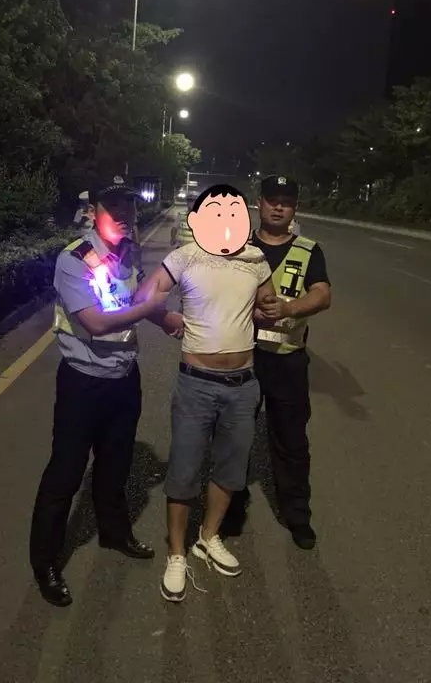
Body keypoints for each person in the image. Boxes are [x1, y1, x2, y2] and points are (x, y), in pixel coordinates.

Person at [30, 177, 181, 607]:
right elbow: (95, 323)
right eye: (114, 206)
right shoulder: (73, 259)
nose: (125, 214)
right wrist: (150, 309)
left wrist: (166, 320)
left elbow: (134, 298)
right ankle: (45, 562)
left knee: (116, 466)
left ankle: (114, 534)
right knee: (65, 474)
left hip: (123, 378)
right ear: (94, 212)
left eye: (129, 205)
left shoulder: (127, 252)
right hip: (83, 383)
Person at [137, 184, 276, 603]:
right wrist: (164, 318)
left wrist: (274, 311)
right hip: (196, 384)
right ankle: (176, 553)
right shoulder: (186, 256)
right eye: (216, 213)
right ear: (197, 221)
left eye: (233, 213)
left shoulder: (256, 260)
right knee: (183, 471)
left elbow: (267, 305)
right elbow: (145, 295)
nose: (226, 222)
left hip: (243, 385)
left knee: (230, 471)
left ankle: (208, 536)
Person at [229, 175, 331, 550]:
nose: (278, 206)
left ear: (295, 208)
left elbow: (322, 295)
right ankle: (230, 508)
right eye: (272, 199)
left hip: (287, 361)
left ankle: (297, 516)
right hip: (242, 358)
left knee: (291, 442)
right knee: (234, 437)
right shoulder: (237, 247)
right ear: (259, 203)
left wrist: (288, 309)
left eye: (286, 201)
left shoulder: (309, 250)